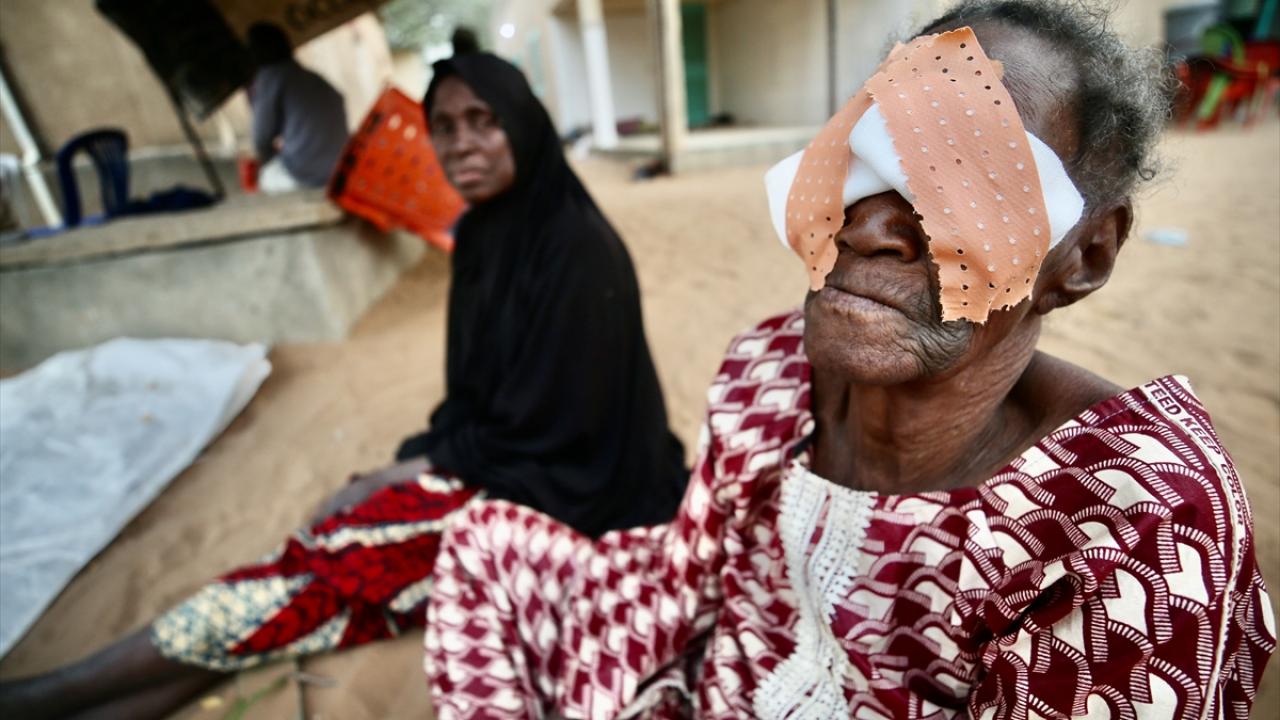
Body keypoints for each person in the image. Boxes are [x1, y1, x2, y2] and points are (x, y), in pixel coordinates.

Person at [423, 2, 1276, 718]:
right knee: (484, 543)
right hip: (713, 690)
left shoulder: (1135, 529)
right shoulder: (769, 371)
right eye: (865, 161)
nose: (869, 225)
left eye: (972, 185)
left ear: (1083, 256)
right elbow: (688, 591)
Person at [0, 53, 687, 719]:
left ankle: (51, 693)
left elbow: (559, 431)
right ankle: (60, 697)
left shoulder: (577, 249)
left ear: (523, 124)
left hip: (561, 498)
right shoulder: (482, 234)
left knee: (329, 571)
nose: (462, 144)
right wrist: (412, 464)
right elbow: (476, 397)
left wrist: (411, 466)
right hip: (497, 462)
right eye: (443, 127)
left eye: (483, 120)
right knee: (326, 563)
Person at [245, 23, 348, 193]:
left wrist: (270, 160)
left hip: (307, 175)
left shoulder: (270, 77)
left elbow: (261, 138)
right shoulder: (312, 78)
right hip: (342, 169)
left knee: (265, 178)